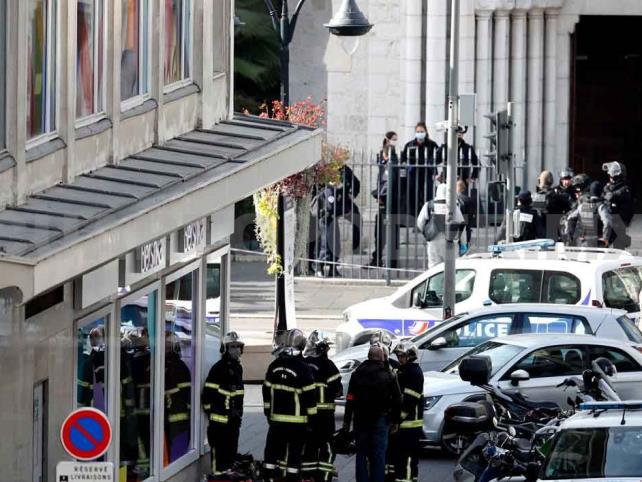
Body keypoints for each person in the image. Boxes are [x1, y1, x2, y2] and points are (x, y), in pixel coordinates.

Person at [342, 344, 402, 482]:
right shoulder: (389, 374)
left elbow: (350, 398)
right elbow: (397, 399)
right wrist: (396, 421)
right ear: (381, 357)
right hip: (381, 420)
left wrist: (346, 422)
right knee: (379, 455)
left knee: (361, 454)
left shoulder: (356, 374)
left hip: (360, 420)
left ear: (369, 356)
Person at [263, 329, 317, 482]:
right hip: (297, 422)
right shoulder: (303, 369)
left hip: (276, 421)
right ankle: (292, 478)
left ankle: (268, 478)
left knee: (272, 452)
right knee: (294, 454)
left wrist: (268, 412)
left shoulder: (273, 366)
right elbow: (310, 398)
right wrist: (311, 420)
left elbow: (266, 391)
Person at [202, 332, 245, 477]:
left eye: (238, 346)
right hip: (219, 421)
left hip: (233, 419)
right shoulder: (218, 368)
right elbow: (207, 395)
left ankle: (228, 472)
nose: (236, 350)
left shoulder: (238, 367)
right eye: (232, 346)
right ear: (224, 348)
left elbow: (238, 395)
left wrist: (238, 414)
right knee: (219, 452)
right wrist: (213, 413)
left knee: (231, 449)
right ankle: (218, 476)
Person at [302, 331, 343, 482]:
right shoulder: (328, 365)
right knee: (328, 448)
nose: (328, 350)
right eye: (326, 347)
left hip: (307, 416)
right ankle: (324, 478)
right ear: (320, 348)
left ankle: (308, 477)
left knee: (309, 447)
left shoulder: (303, 364)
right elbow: (338, 390)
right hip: (325, 417)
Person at [316, 165, 361, 278]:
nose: (339, 181)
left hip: (332, 219)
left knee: (335, 245)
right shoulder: (329, 190)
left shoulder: (335, 189)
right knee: (325, 245)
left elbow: (355, 183)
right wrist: (345, 210)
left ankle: (333, 269)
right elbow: (332, 207)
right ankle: (319, 268)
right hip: (326, 219)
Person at [388, 342, 424, 482]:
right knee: (398, 458)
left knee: (408, 459)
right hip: (402, 425)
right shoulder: (403, 370)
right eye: (398, 356)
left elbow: (409, 401)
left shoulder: (414, 373)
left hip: (410, 425)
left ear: (410, 356)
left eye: (402, 356)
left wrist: (397, 419)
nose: (399, 359)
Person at [416, 184, 464, 268]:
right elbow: (461, 224)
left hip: (434, 240)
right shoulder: (453, 206)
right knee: (451, 267)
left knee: (434, 267)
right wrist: (463, 242)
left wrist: (426, 233)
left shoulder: (429, 205)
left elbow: (420, 222)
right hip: (450, 240)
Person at [371, 131, 400, 268]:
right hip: (388, 201)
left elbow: (387, 182)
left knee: (385, 231)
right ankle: (384, 259)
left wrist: (379, 195)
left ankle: (384, 260)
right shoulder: (386, 163)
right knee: (384, 232)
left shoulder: (391, 163)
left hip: (388, 202)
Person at [400, 122, 439, 219]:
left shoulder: (432, 145)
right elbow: (403, 160)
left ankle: (427, 219)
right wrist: (407, 166)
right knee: (413, 198)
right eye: (418, 131)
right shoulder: (409, 145)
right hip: (413, 175)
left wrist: (433, 168)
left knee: (428, 198)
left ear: (425, 132)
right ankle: (415, 219)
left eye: (421, 131)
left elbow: (438, 157)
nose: (419, 133)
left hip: (427, 174)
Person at [164, 332, 192, 464]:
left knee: (172, 452)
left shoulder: (173, 366)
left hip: (173, 417)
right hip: (175, 417)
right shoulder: (177, 366)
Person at [600, 161, 633, 248]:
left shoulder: (624, 189)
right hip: (609, 221)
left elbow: (612, 196)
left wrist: (610, 194)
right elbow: (602, 197)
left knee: (618, 250)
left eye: (612, 176)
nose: (610, 178)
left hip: (619, 223)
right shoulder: (608, 186)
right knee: (603, 246)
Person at [566, 181, 604, 247]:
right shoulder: (601, 205)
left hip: (584, 241)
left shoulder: (582, 205)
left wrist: (571, 238)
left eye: (578, 191)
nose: (576, 194)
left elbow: (570, 219)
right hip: (595, 241)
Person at [456, 179, 475, 255]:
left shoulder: (456, 200)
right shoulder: (469, 200)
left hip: (456, 230)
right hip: (466, 230)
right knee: (464, 253)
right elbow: (471, 218)